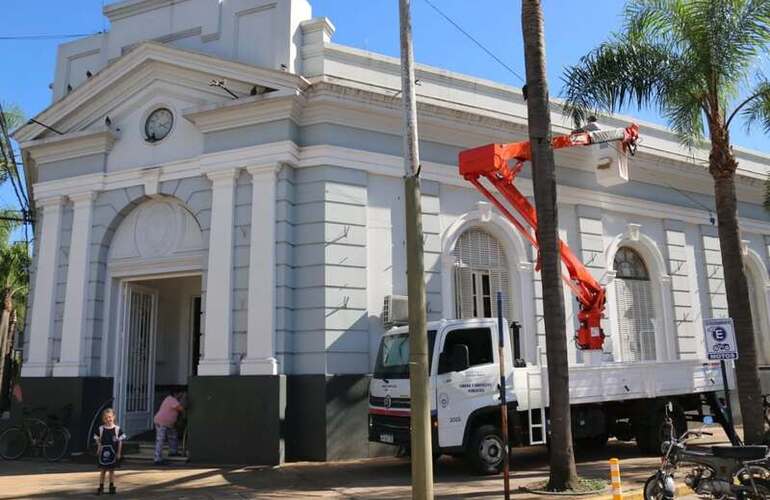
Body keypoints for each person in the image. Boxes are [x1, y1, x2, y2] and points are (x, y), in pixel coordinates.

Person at [94, 408, 125, 495]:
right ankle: (101, 487)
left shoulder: (117, 429)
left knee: (111, 470)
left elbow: (120, 442)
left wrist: (119, 453)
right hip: (103, 453)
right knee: (103, 470)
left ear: (113, 417)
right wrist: (98, 447)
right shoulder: (101, 429)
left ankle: (111, 486)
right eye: (106, 418)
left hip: (113, 453)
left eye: (110, 417)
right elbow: (97, 439)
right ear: (103, 419)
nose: (108, 419)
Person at [153, 391, 184, 465]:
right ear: (176, 394)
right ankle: (157, 459)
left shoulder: (169, 399)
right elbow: (181, 408)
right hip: (162, 422)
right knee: (160, 439)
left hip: (168, 423)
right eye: (181, 393)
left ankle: (173, 451)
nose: (181, 395)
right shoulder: (172, 399)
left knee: (173, 436)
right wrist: (183, 399)